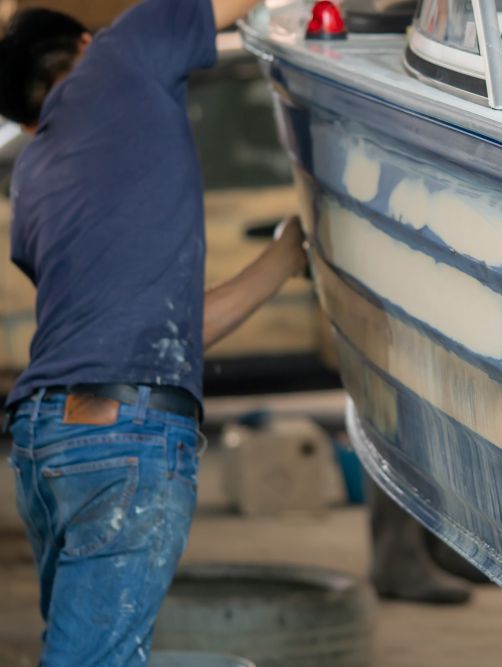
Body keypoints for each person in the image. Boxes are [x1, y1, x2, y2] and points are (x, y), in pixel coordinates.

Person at [0, 1, 303, 664]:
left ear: (25, 120)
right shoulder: (121, 54)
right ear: (86, 44)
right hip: (124, 436)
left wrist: (283, 259)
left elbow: (164, 337)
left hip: (46, 439)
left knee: (94, 650)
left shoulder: (31, 174)